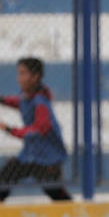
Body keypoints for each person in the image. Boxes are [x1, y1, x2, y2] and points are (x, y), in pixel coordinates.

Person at [0, 57, 71, 202]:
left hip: (47, 158)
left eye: (23, 73)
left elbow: (39, 129)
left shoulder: (40, 102)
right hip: (31, 155)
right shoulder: (27, 97)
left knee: (56, 192)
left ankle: (74, 216)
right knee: (6, 176)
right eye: (18, 73)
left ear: (35, 76)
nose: (18, 78)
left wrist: (9, 129)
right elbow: (17, 101)